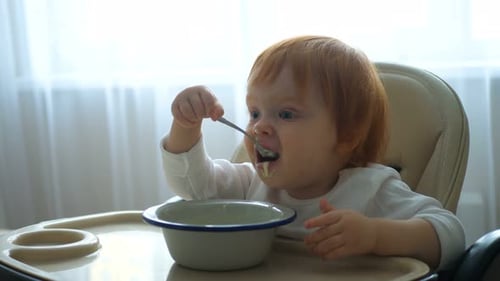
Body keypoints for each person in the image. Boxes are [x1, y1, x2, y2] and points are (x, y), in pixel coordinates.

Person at [161, 35, 465, 270]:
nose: (258, 128)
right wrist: (185, 126)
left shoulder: (372, 189)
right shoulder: (250, 183)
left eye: (286, 115)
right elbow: (193, 187)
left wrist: (375, 235)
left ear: (346, 135)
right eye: (254, 113)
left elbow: (450, 233)